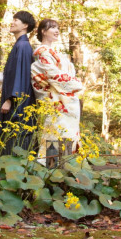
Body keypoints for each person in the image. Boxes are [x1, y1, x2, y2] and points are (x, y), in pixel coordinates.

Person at [31, 18, 84, 157]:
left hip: (64, 98)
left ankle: (65, 167)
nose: (57, 31)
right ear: (43, 31)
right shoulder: (42, 52)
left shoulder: (54, 52)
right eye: (52, 27)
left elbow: (64, 72)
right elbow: (52, 74)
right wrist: (75, 83)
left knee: (67, 131)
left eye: (57, 28)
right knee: (53, 132)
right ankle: (51, 167)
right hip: (53, 99)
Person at [0, 11, 37, 156]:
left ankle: (10, 172)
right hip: (15, 100)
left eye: (16, 20)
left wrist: (10, 99)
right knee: (10, 137)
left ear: (25, 25)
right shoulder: (20, 45)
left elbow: (22, 76)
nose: (12, 22)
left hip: (18, 104)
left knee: (14, 138)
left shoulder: (23, 46)